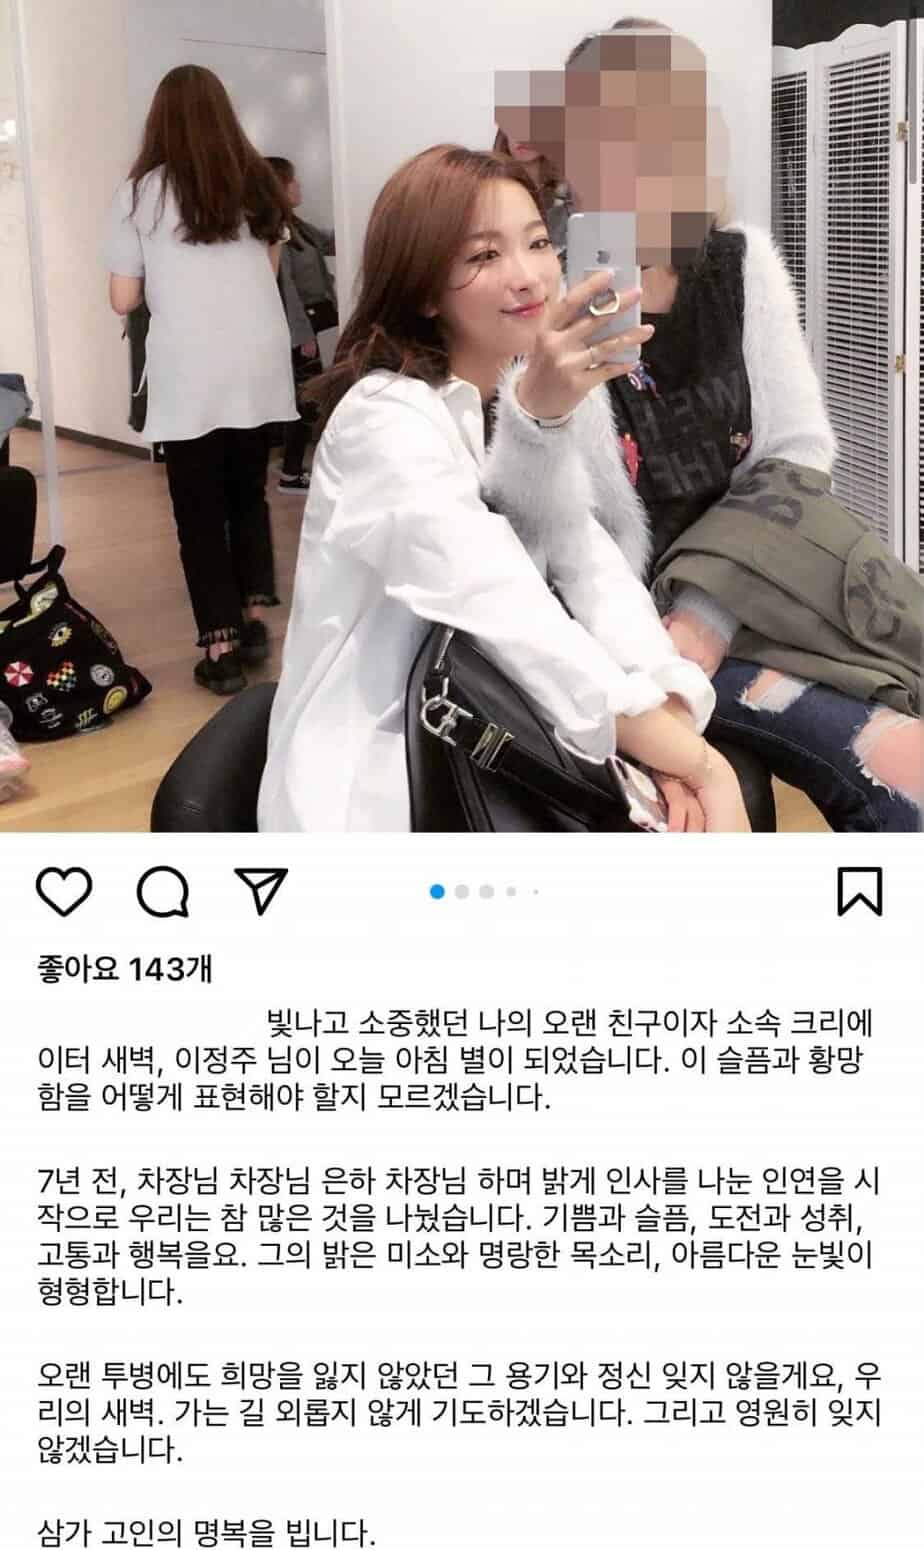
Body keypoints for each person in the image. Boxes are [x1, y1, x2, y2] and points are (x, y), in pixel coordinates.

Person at [493, 15, 923, 831]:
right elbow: (538, 538)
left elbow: (797, 450)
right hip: (626, 635)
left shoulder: (739, 264)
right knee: (898, 771)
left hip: (750, 599)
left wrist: (709, 611)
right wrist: (540, 405)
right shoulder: (534, 287)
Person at [258, 144, 751, 833]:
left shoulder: (517, 402)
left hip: (512, 725)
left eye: (538, 243)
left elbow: (590, 565)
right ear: (424, 288)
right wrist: (699, 763)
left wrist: (669, 713)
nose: (528, 276)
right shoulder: (383, 419)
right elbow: (501, 603)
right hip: (389, 776)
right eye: (484, 255)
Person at [104, 65, 297, 694]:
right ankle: (253, 617)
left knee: (197, 509)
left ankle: (220, 648)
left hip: (190, 366)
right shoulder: (259, 183)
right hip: (257, 363)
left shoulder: (140, 194)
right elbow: (268, 274)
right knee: (247, 492)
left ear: (160, 120)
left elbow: (123, 298)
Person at [265, 155, 338, 494]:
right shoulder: (275, 231)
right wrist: (302, 336)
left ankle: (291, 467)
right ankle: (291, 473)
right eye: (292, 180)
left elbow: (329, 241)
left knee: (306, 394)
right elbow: (286, 288)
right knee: (306, 397)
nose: (299, 186)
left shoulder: (296, 226)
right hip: (300, 326)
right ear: (279, 187)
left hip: (314, 318)